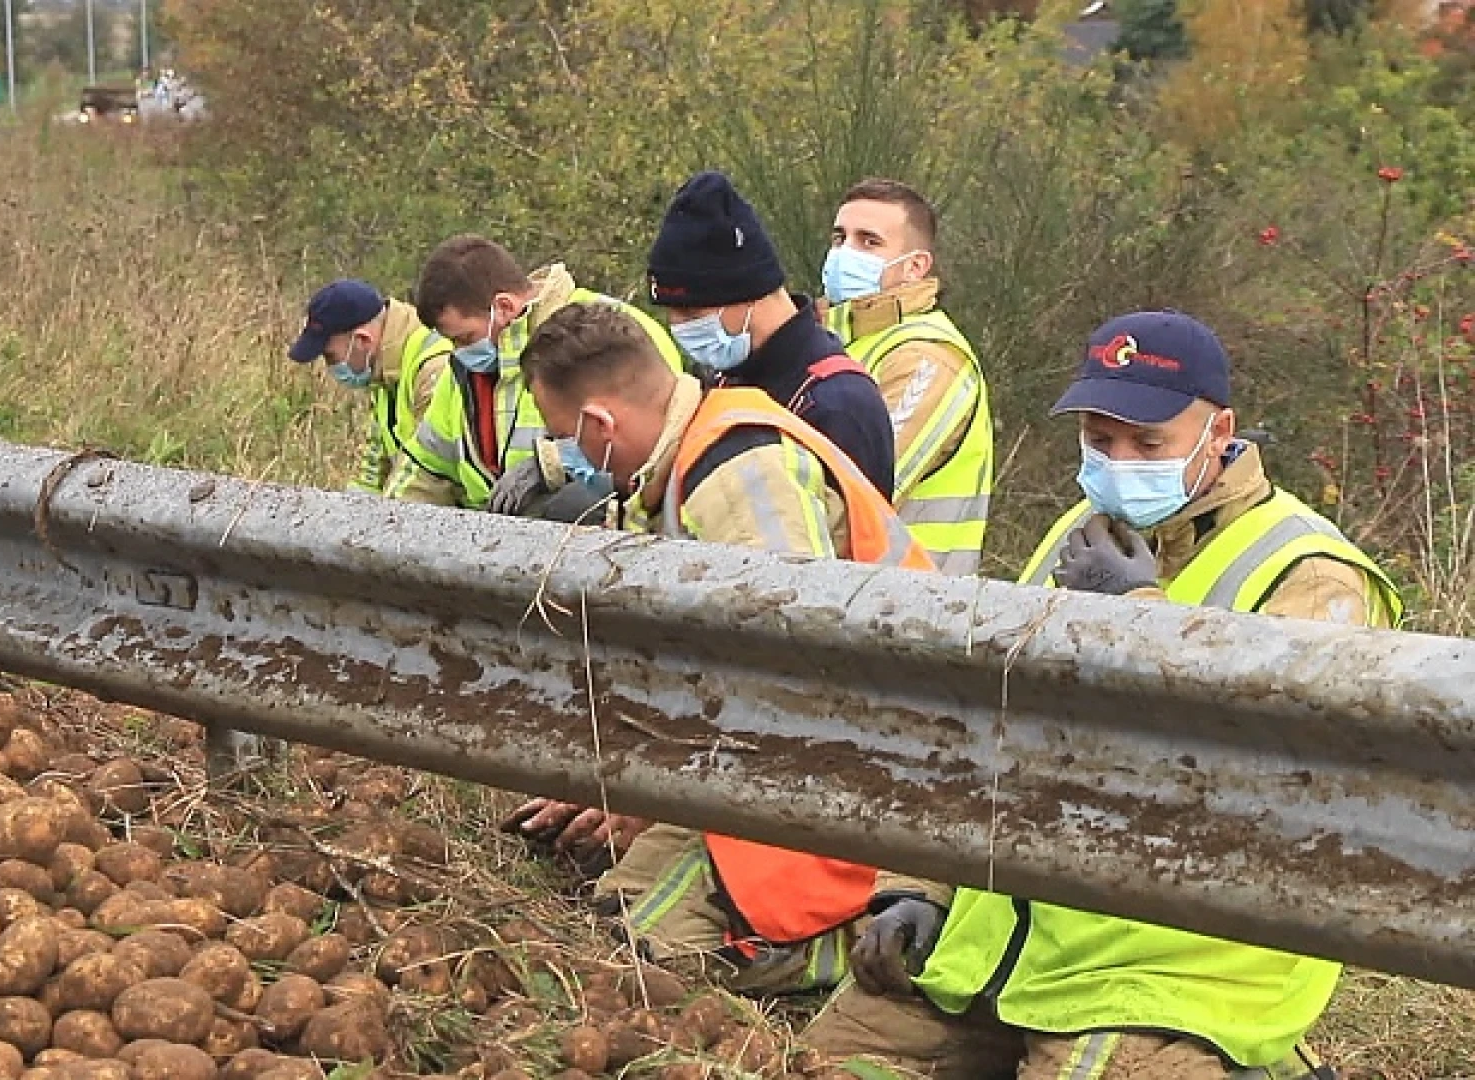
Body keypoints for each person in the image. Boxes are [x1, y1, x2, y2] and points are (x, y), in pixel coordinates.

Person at [798, 310, 1402, 1079]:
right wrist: (916, 885)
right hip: (1007, 945)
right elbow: (987, 725)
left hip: (1170, 967)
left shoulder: (1310, 574)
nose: (1118, 463)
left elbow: (1279, 788)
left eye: (1148, 444)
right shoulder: (1078, 535)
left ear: (1220, 432)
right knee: (823, 1065)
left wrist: (1137, 617)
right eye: (1098, 439)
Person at [514, 302, 933, 995]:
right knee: (613, 900)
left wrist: (652, 789)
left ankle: (835, 946)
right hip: (775, 757)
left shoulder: (740, 472)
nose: (572, 460)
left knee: (645, 950)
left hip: (859, 768)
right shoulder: (688, 461)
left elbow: (790, 678)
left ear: (600, 425)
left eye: (567, 440)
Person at [644, 171, 897, 507]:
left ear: (749, 294)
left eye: (691, 311)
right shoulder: (729, 377)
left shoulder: (838, 405)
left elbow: (851, 547)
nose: (679, 327)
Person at [388, 235, 684, 516]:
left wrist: (553, 464)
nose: (459, 350)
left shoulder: (610, 328)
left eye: (465, 338)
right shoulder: (465, 374)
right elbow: (423, 470)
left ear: (503, 306)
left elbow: (656, 434)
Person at [822, 178, 993, 576]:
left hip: (911, 608)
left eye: (869, 242)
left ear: (915, 267)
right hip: (858, 596)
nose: (845, 252)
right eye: (839, 238)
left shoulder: (927, 357)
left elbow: (858, 494)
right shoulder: (847, 340)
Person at [287, 279, 452, 496]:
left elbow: (425, 473)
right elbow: (373, 468)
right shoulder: (384, 373)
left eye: (330, 356)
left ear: (362, 341)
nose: (330, 367)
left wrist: (381, 524)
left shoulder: (435, 369)